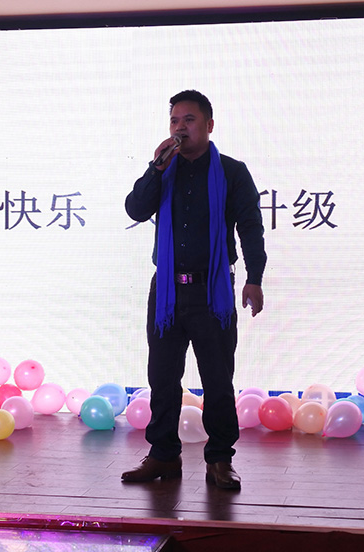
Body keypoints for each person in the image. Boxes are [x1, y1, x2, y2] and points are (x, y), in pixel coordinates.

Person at [121, 90, 267, 490]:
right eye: (174, 121)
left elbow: (250, 228)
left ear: (208, 125)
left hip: (211, 291)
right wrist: (155, 168)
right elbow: (135, 209)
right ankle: (163, 455)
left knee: (217, 380)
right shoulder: (163, 170)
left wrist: (254, 278)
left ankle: (219, 459)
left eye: (189, 120)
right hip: (167, 292)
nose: (180, 128)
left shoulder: (232, 172)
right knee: (162, 377)